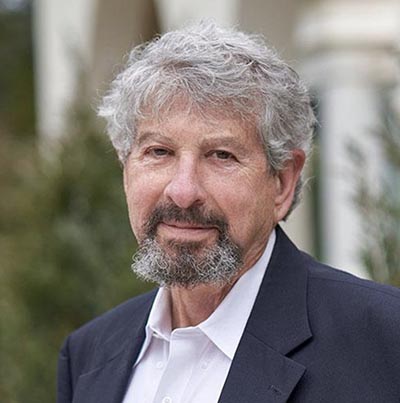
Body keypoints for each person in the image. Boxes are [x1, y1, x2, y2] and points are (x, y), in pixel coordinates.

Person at [57, 21, 400, 403]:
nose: (183, 192)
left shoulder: (383, 341)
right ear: (125, 167)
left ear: (282, 182)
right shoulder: (89, 356)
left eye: (221, 155)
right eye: (159, 152)